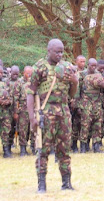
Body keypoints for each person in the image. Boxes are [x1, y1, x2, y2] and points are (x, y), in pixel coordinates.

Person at [27, 39, 78, 193]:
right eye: (57, 51)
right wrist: (32, 118)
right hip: (46, 111)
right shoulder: (39, 67)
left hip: (63, 111)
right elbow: (30, 93)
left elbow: (72, 94)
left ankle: (66, 183)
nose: (60, 54)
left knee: (65, 149)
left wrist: (75, 82)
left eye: (62, 51)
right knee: (43, 149)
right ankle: (41, 184)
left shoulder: (67, 67)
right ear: (48, 50)